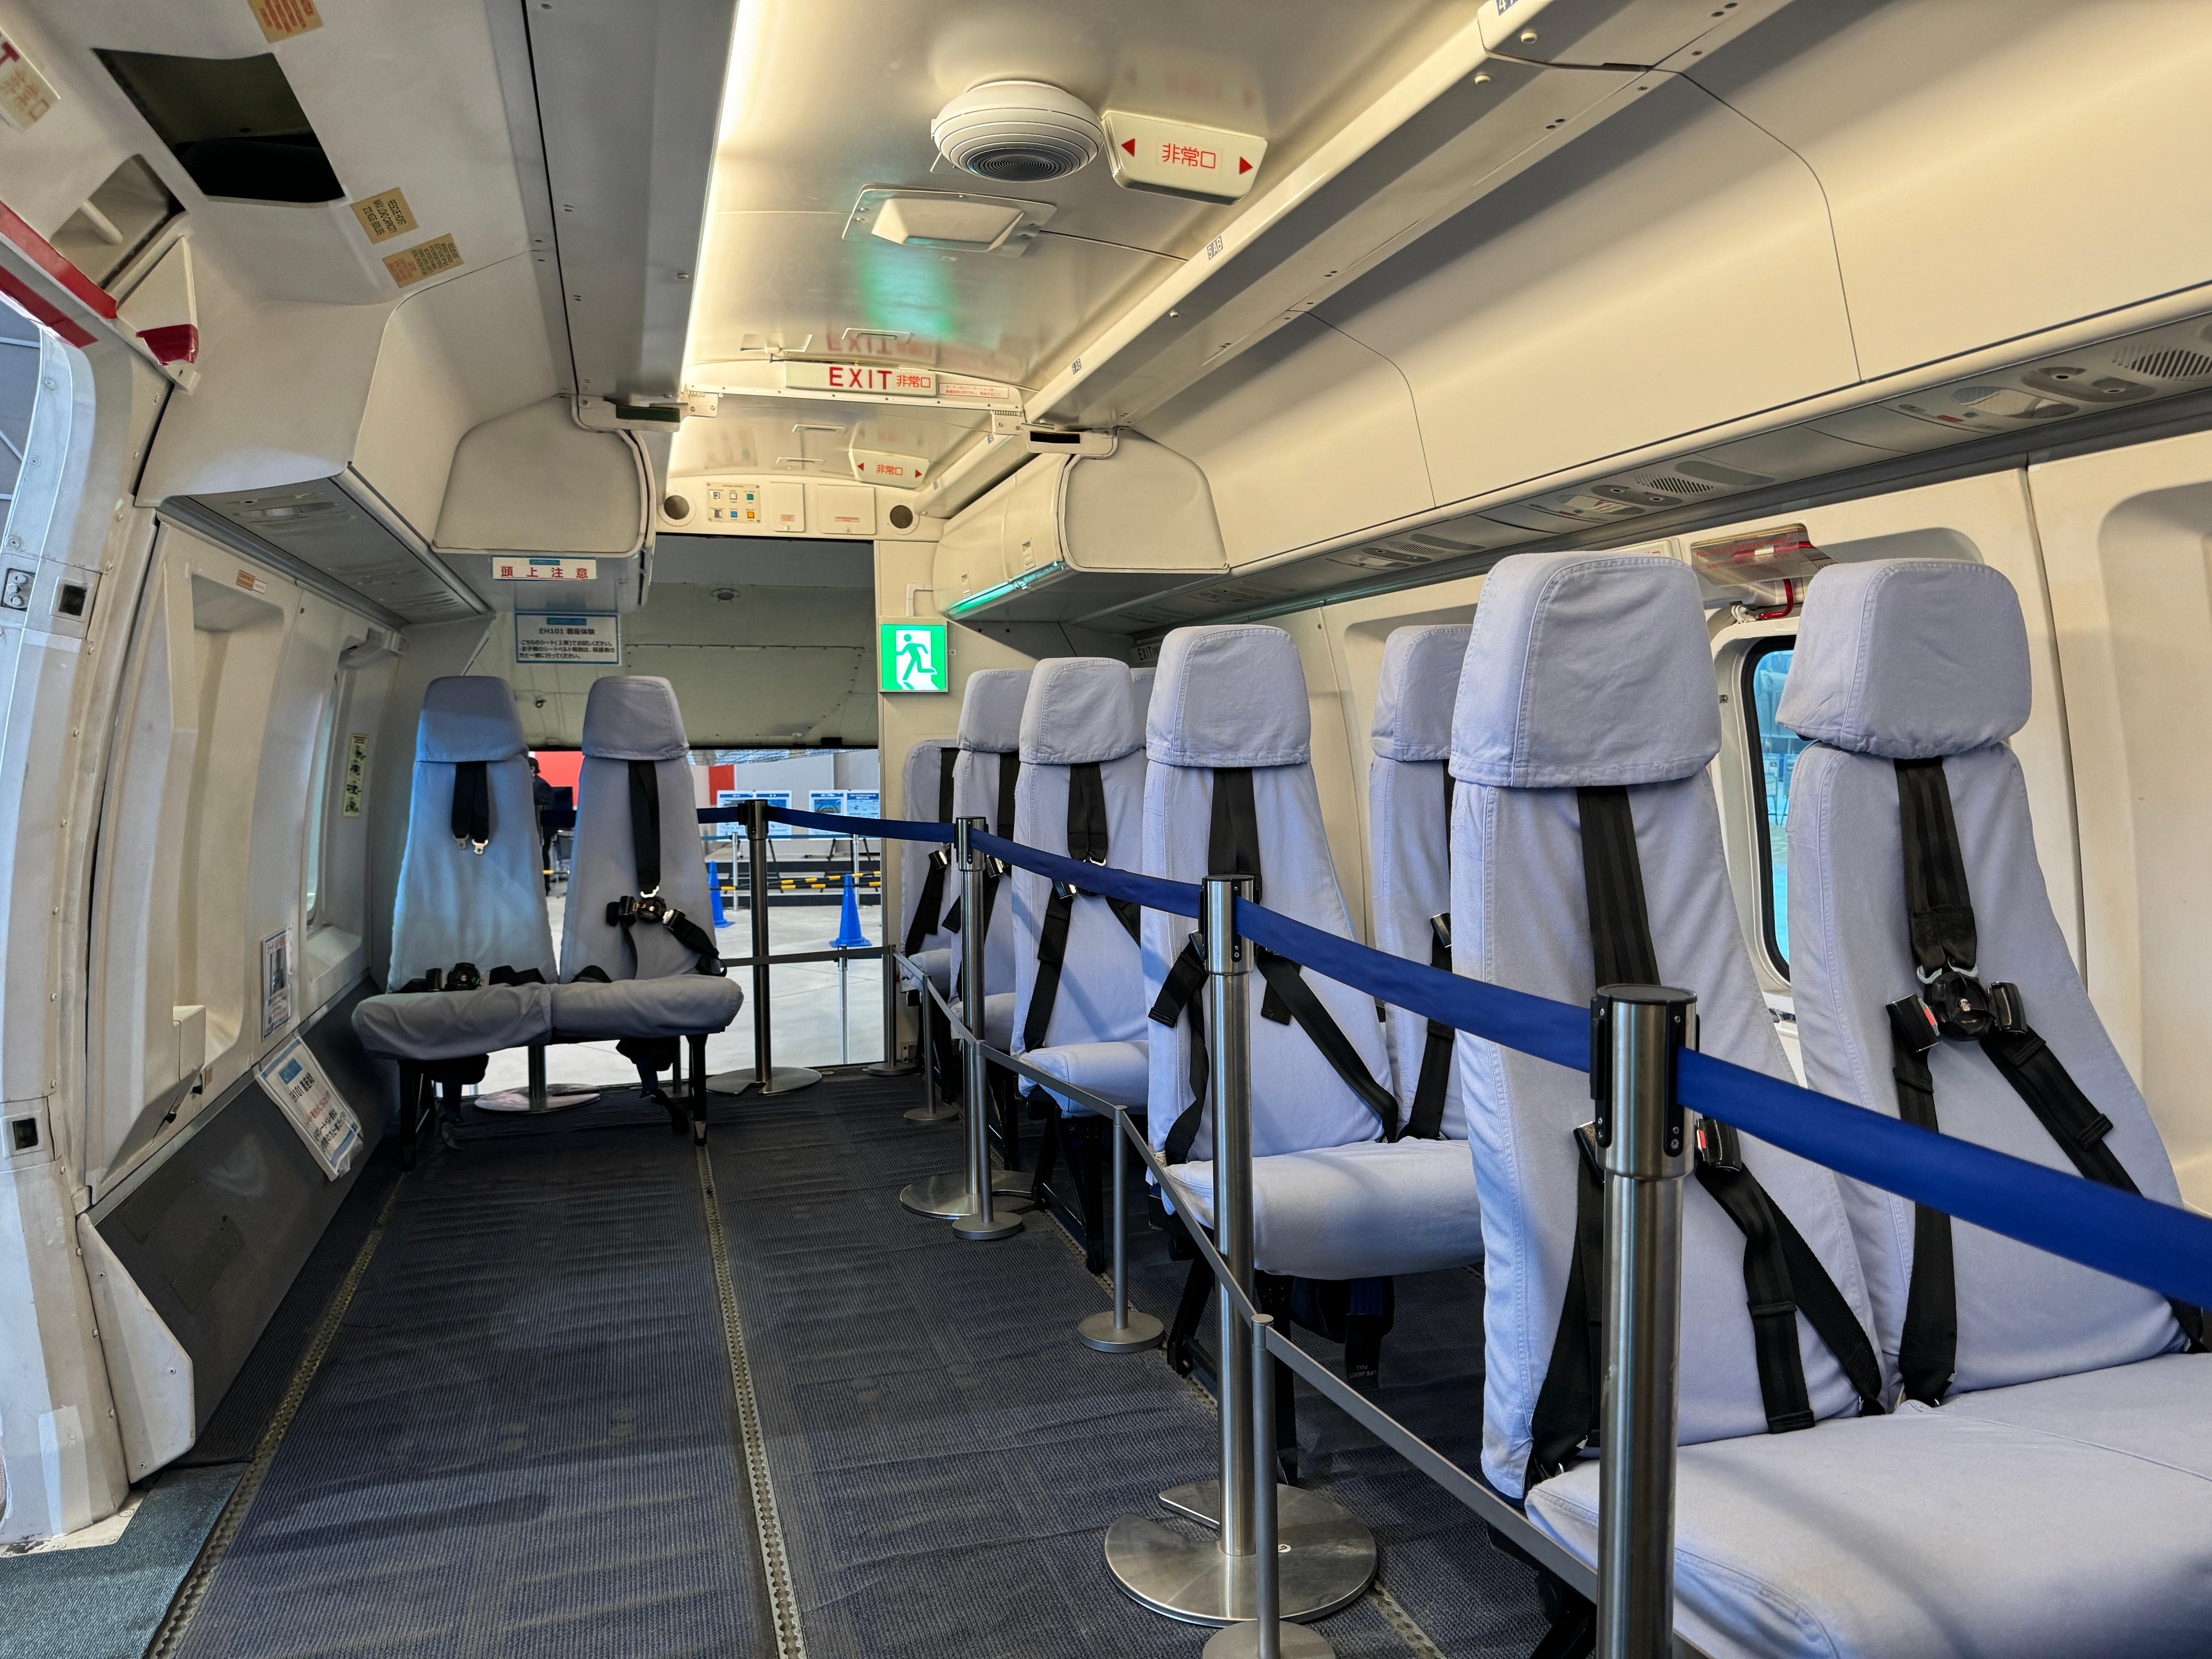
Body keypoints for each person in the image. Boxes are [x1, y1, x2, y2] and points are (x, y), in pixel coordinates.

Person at [529, 756, 561, 893]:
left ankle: (545, 887)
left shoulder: (540, 785)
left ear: (532, 769)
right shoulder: (527, 784)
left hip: (543, 829)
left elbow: (549, 807)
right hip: (533, 828)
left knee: (542, 856)